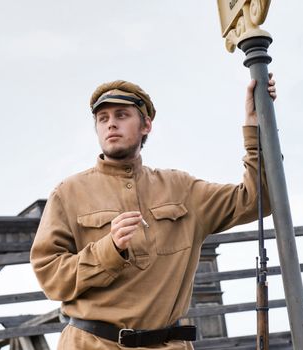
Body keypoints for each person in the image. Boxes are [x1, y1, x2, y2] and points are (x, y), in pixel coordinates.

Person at [30, 77, 276, 349]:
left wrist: (257, 126)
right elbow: (50, 278)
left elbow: (258, 198)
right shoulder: (67, 193)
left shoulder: (181, 188)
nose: (111, 123)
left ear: (146, 125)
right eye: (102, 118)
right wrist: (109, 250)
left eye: (121, 115)